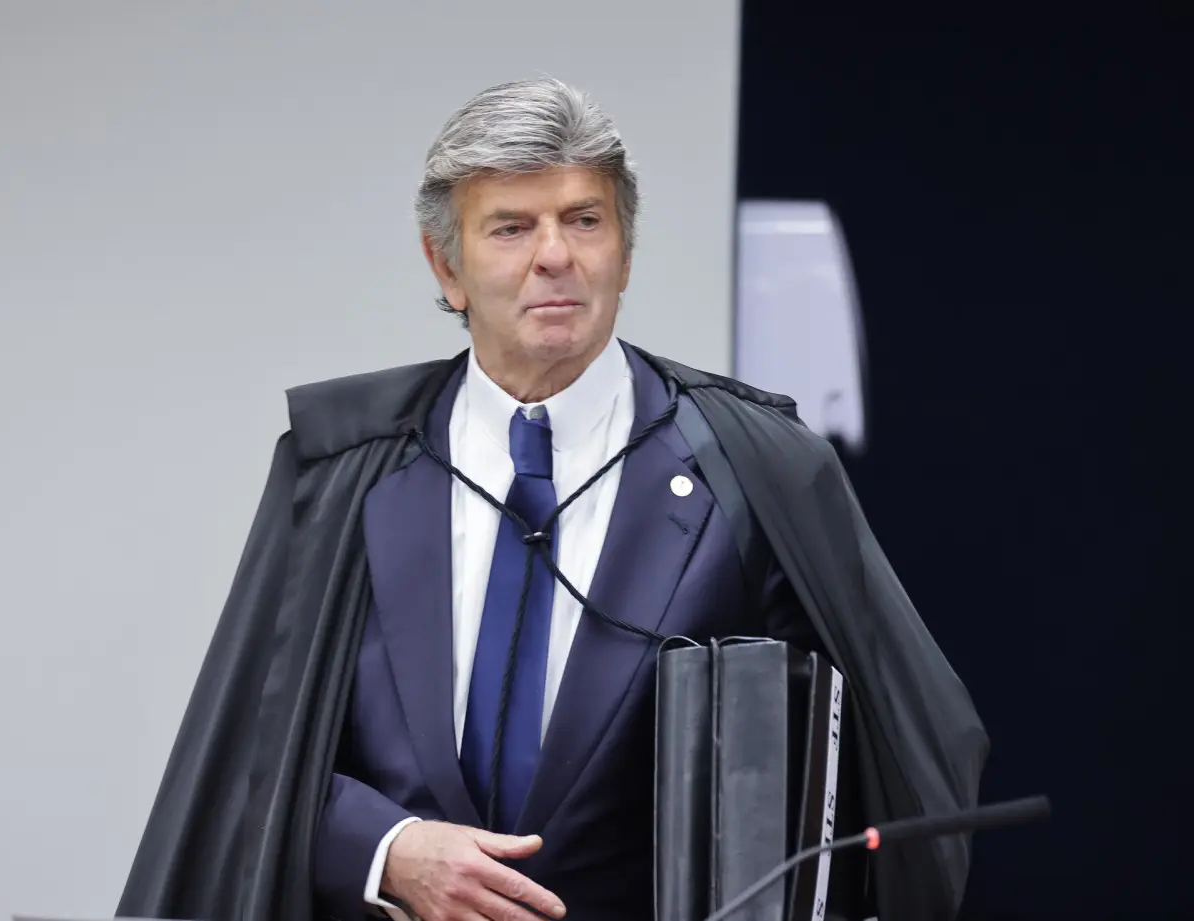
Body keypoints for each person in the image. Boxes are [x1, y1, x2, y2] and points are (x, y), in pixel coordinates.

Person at [115, 78, 988, 921]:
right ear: (446, 267)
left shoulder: (756, 464)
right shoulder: (345, 470)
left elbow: (895, 753)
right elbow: (249, 757)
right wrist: (384, 849)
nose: (555, 255)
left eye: (584, 219)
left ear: (626, 252)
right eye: (510, 227)